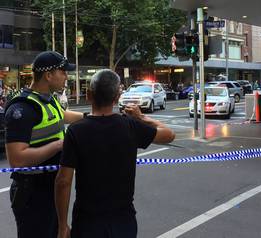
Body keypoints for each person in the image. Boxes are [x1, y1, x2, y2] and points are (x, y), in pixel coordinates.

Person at [55, 69, 175, 238]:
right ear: (117, 98)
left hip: (87, 222)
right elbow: (169, 134)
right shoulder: (130, 127)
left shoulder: (76, 131)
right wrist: (141, 117)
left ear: (89, 95)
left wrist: (62, 226)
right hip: (123, 220)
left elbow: (63, 182)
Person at [4, 51, 86, 238]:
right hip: (33, 193)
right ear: (49, 75)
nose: (67, 76)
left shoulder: (48, 99)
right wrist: (60, 146)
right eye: (63, 72)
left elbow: (62, 116)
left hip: (53, 188)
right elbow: (16, 159)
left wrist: (91, 118)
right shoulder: (22, 109)